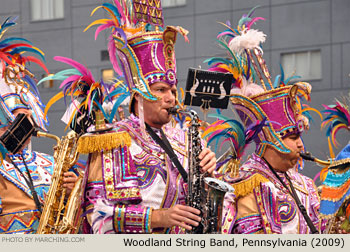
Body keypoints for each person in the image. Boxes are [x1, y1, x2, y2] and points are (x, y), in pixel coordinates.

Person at [81, 1, 216, 234]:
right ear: (138, 93)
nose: (171, 98)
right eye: (161, 90)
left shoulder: (186, 139)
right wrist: (157, 217)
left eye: (173, 91)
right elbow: (97, 214)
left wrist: (210, 175)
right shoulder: (115, 139)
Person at [204, 9, 325, 234]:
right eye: (293, 137)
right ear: (270, 138)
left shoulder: (306, 185)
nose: (301, 145)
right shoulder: (244, 184)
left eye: (300, 137)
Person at [0, 17, 77, 234]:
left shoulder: (51, 164)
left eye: (25, 118)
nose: (20, 127)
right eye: (10, 120)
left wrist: (72, 191)